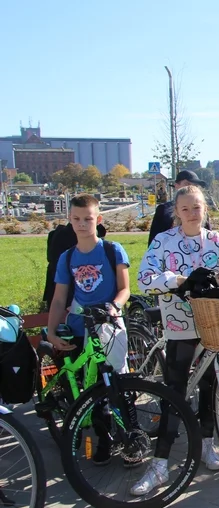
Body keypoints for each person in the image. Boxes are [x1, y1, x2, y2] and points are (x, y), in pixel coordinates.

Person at [134, 185, 219, 495]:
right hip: (181, 325)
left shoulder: (215, 240)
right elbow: (144, 278)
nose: (192, 213)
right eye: (186, 208)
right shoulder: (164, 241)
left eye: (197, 207)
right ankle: (160, 462)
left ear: (205, 210)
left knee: (210, 387)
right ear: (176, 212)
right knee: (175, 390)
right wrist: (180, 280)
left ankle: (207, 444)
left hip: (214, 323)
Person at [46, 194, 131, 466]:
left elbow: (124, 288)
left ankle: (128, 435)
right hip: (79, 329)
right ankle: (102, 439)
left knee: (117, 383)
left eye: (88, 219)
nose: (82, 224)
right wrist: (51, 332)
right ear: (70, 220)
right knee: (90, 387)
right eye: (76, 219)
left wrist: (114, 307)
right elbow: (59, 298)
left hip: (108, 326)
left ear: (99, 219)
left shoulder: (112, 250)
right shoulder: (67, 257)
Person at [147, 170, 212, 246]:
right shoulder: (164, 209)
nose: (190, 188)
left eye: (195, 185)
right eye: (187, 184)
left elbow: (209, 237)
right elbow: (153, 241)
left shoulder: (200, 209)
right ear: (176, 185)